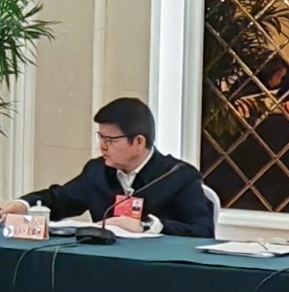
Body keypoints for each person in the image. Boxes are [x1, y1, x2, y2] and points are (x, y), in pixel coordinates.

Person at [15, 95, 220, 238]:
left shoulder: (178, 177)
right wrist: (22, 205)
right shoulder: (97, 172)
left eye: (110, 140)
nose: (102, 147)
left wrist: (148, 225)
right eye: (101, 138)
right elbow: (59, 200)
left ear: (138, 141)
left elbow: (202, 231)